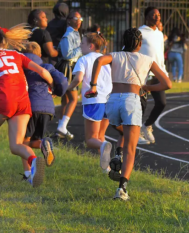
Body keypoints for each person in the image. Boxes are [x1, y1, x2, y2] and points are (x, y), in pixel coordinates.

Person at [87, 28, 171, 200]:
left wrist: (93, 85)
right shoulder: (147, 59)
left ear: (123, 41)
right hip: (131, 101)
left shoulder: (115, 55)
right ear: (140, 44)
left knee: (121, 130)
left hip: (112, 100)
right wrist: (147, 87)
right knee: (131, 149)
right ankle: (122, 189)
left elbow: (100, 60)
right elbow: (167, 83)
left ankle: (115, 153)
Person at [0, 24, 53, 187]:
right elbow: (42, 72)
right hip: (23, 101)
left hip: (4, 100)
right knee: (16, 145)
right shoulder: (16, 55)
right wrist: (52, 86)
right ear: (6, 41)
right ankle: (34, 161)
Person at [20, 42, 68, 176]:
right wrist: (57, 91)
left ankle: (28, 173)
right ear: (40, 55)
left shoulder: (21, 67)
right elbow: (63, 81)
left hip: (29, 107)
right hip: (48, 109)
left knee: (23, 142)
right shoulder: (47, 66)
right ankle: (43, 144)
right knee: (35, 140)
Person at [67, 32, 113, 171]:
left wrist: (67, 88)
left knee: (90, 140)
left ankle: (104, 147)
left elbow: (78, 79)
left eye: (82, 43)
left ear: (91, 45)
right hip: (108, 100)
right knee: (100, 135)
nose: (80, 46)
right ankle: (107, 168)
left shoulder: (84, 59)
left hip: (93, 100)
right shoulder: (106, 59)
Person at [138, 7, 168, 145]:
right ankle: (136, 131)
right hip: (143, 73)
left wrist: (163, 71)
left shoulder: (159, 34)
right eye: (153, 15)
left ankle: (147, 126)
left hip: (157, 73)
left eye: (158, 15)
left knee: (162, 103)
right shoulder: (140, 32)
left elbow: (160, 55)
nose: (157, 17)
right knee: (140, 105)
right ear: (146, 17)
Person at [54, 11, 83, 140]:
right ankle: (62, 126)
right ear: (69, 20)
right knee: (73, 99)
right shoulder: (68, 35)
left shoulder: (76, 34)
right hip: (67, 68)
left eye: (80, 18)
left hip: (72, 67)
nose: (79, 20)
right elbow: (67, 55)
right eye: (76, 18)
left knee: (65, 100)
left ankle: (60, 128)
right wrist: (82, 47)